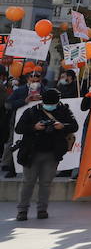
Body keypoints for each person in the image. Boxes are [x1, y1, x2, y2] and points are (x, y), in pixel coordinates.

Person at [13, 88, 77, 221]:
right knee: (28, 182)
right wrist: (34, 127)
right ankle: (22, 211)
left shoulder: (64, 110)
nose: (50, 105)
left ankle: (42, 210)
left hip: (52, 153)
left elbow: (74, 126)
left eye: (53, 103)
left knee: (46, 183)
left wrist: (62, 126)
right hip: (32, 152)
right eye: (47, 103)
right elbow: (18, 128)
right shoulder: (31, 111)